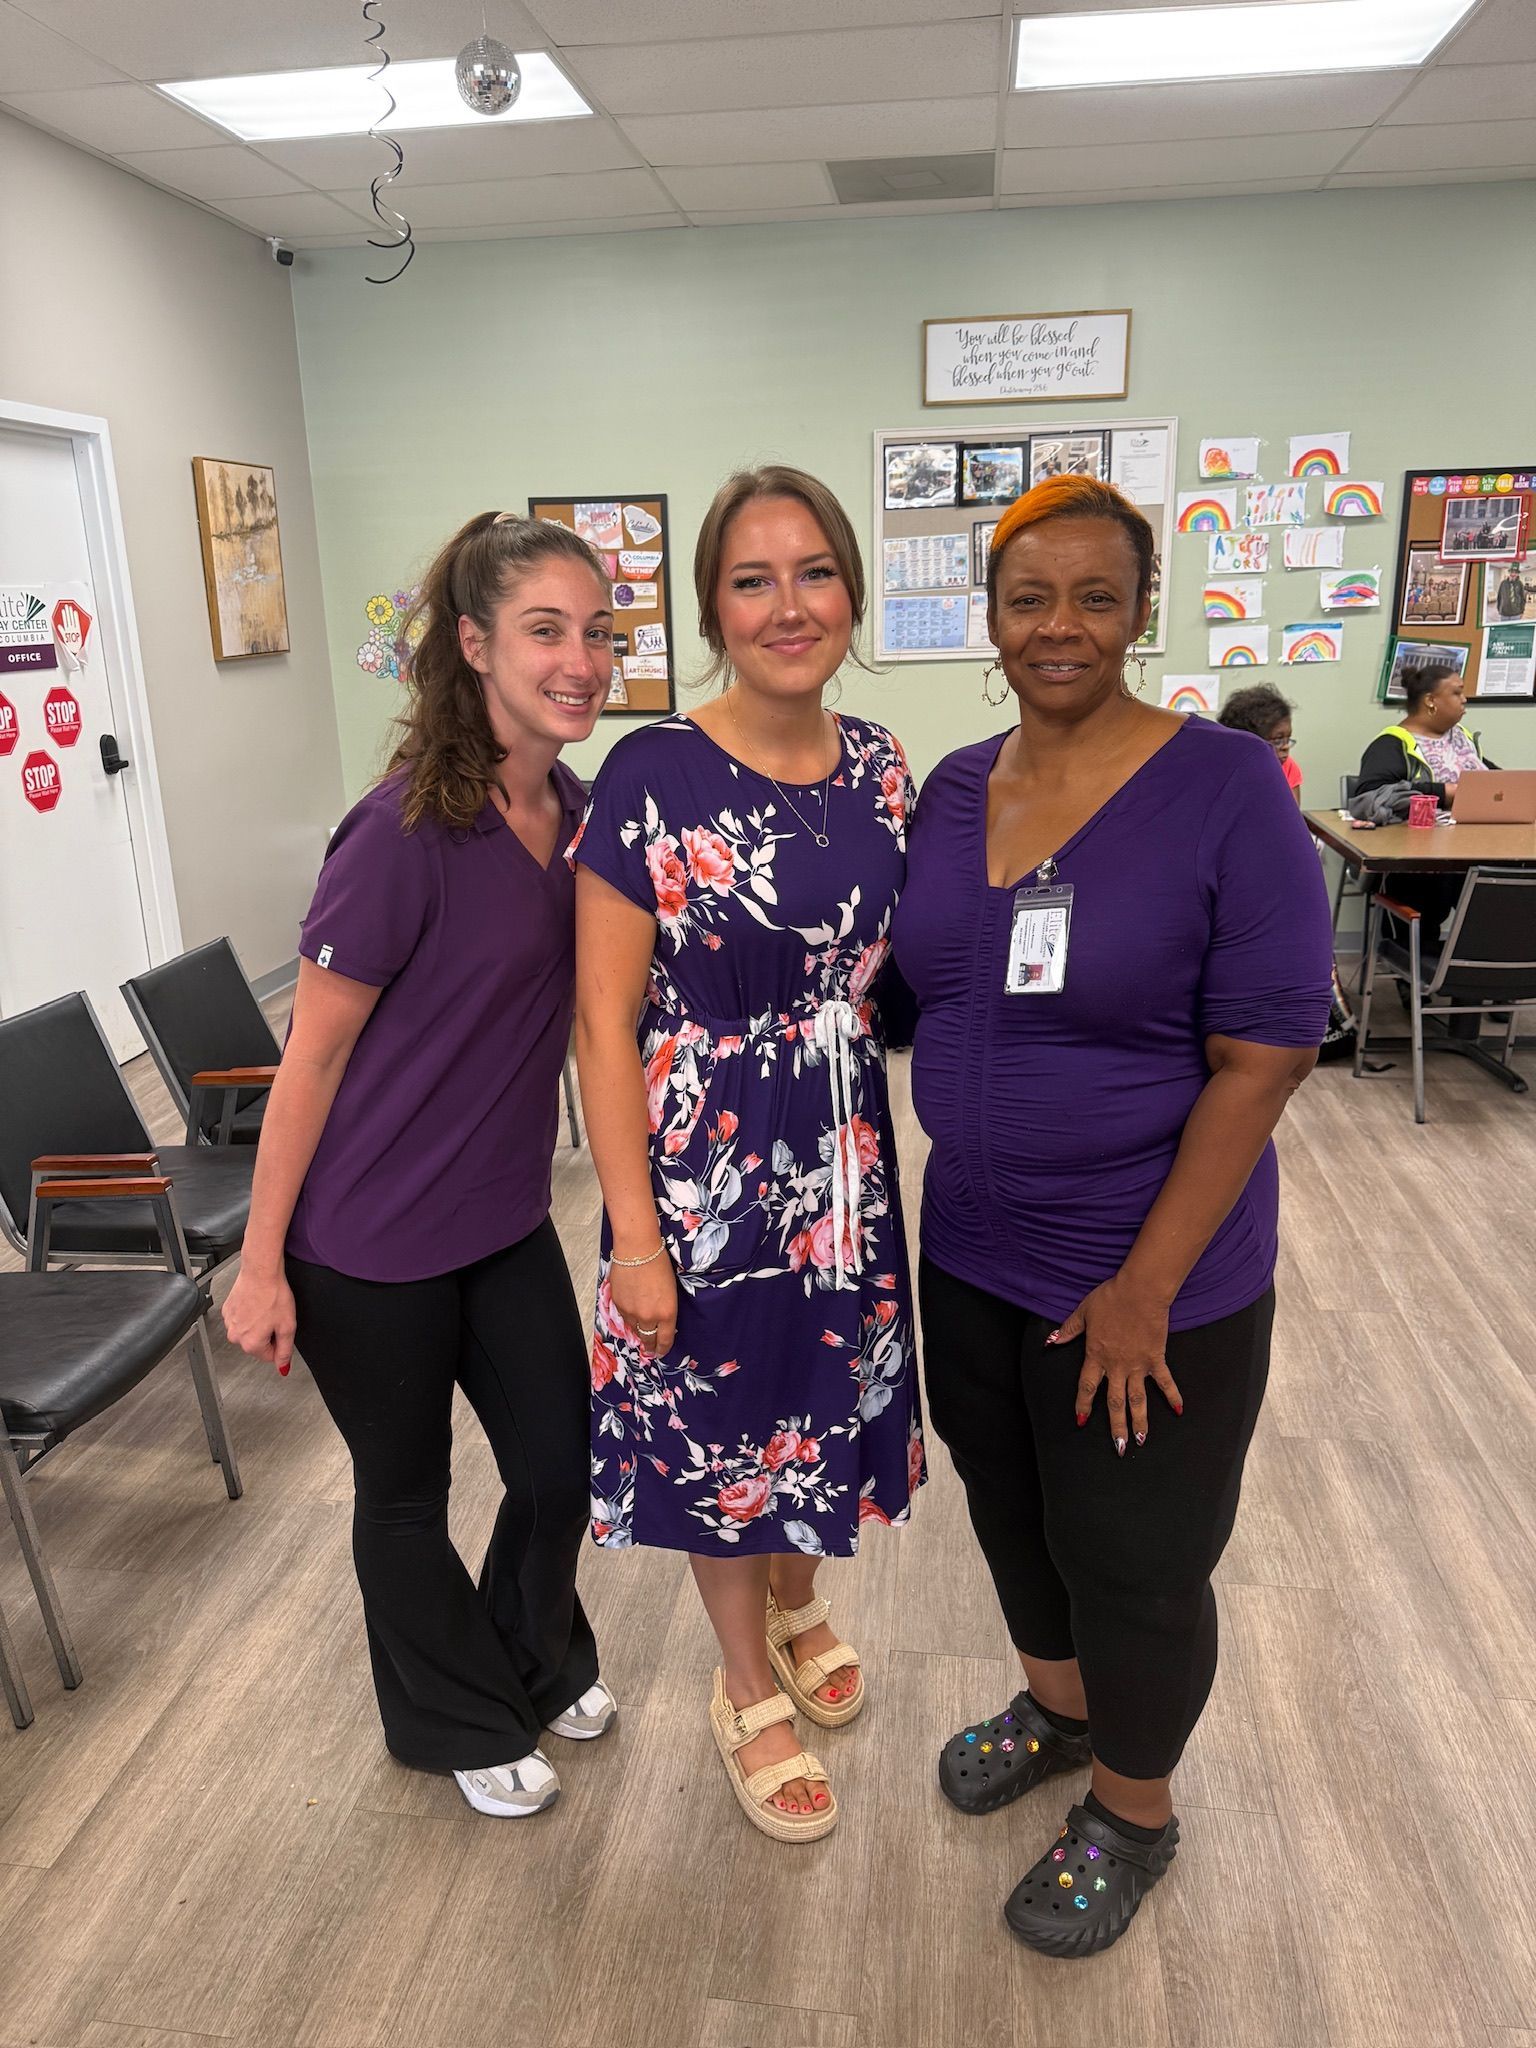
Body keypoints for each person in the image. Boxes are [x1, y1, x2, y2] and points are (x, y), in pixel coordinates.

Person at [892, 474, 1332, 1957]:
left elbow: (1266, 1055)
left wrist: (1146, 1286)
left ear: (1142, 611)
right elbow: (915, 986)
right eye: (1029, 599)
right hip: (972, 1252)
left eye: (1095, 596)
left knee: (1136, 1558)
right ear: (991, 618)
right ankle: (1061, 1711)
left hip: (1152, 1278)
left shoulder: (1225, 789)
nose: (1060, 625)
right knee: (1012, 1510)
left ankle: (1134, 1811)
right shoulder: (955, 790)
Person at [222, 512, 617, 1819]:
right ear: (475, 645)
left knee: (559, 1466)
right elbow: (310, 1061)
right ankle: (452, 1719)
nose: (580, 660)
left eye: (596, 631)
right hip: (368, 1238)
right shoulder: (399, 833)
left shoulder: (580, 817)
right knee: (406, 1495)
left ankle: (531, 1658)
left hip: (501, 1219)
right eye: (545, 630)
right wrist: (261, 1263)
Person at [571, 465, 923, 1844]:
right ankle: (741, 1682)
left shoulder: (882, 764)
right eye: (753, 579)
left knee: (812, 1399)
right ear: (714, 608)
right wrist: (635, 1239)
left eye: (814, 571)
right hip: (702, 1163)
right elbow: (600, 1023)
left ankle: (797, 1596)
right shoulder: (650, 772)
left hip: (841, 1148)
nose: (790, 605)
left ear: (852, 590)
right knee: (725, 1428)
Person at [1217, 682, 1302, 800]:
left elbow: (1292, 810)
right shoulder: (1225, 772)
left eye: (1287, 739)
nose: (1286, 747)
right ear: (1248, 741)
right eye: (1278, 740)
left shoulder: (1288, 767)